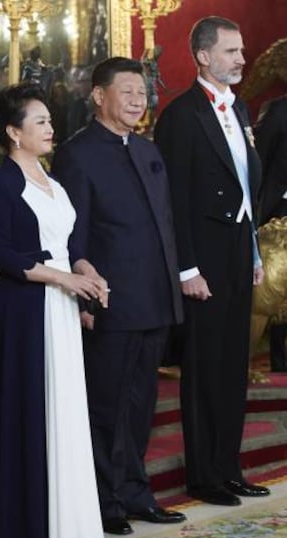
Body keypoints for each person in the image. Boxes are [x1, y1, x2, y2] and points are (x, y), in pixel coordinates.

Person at [52, 57, 186, 536]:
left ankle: (135, 491)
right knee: (105, 407)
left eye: (142, 92)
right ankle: (105, 500)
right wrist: (85, 303)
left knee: (141, 404)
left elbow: (166, 228)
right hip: (110, 303)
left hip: (154, 300)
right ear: (98, 96)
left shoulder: (148, 150)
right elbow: (75, 237)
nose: (137, 100)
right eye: (127, 91)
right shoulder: (77, 154)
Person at [0, 82, 106, 538]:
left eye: (51, 121)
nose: (51, 128)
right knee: (32, 414)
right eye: (40, 122)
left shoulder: (52, 179)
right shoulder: (4, 184)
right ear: (13, 133)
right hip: (27, 310)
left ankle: (68, 528)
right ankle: (27, 533)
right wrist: (60, 279)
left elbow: (69, 244)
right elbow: (4, 252)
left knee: (66, 412)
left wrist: (86, 272)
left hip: (61, 307)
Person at [154, 16, 270, 506]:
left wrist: (253, 251)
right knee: (204, 371)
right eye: (231, 51)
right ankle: (204, 477)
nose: (242, 59)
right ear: (203, 56)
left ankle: (229, 467)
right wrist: (186, 268)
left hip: (237, 253)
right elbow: (173, 202)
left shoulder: (239, 106)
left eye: (240, 50)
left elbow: (247, 188)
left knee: (232, 367)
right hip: (201, 259)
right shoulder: (181, 117)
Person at [255, 95, 287, 372]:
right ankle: (280, 358)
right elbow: (259, 159)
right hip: (280, 214)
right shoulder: (278, 110)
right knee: (277, 290)